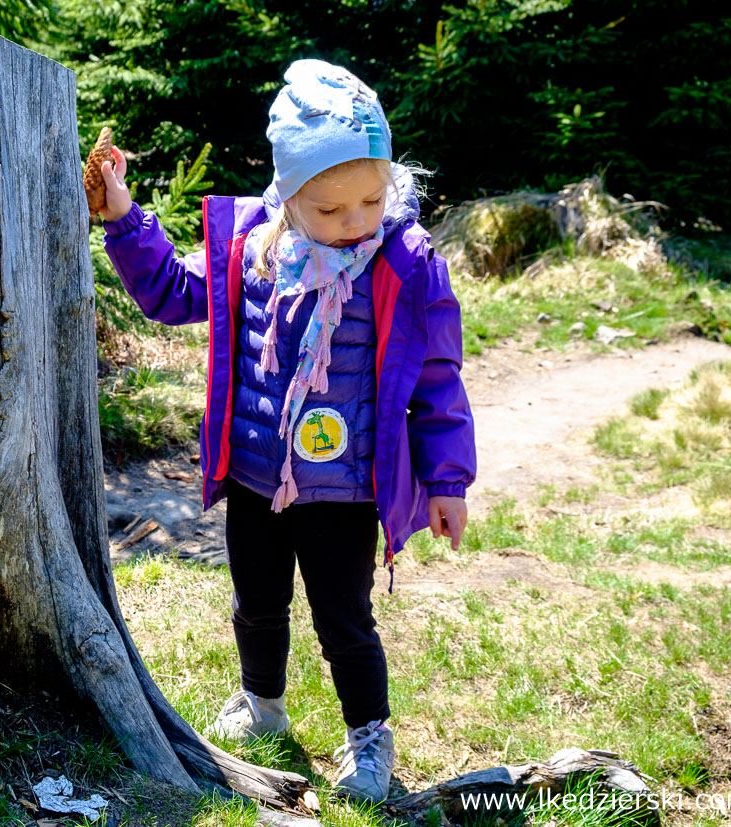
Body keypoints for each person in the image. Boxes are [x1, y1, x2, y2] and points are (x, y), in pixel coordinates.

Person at [96, 59, 477, 804]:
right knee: (256, 601)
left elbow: (438, 379)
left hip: (345, 488)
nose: (357, 221)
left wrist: (446, 480)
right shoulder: (253, 249)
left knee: (346, 618)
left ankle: (369, 737)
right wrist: (127, 220)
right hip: (257, 474)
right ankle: (261, 702)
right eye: (332, 210)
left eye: (372, 198)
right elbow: (174, 291)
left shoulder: (402, 263)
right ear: (290, 197)